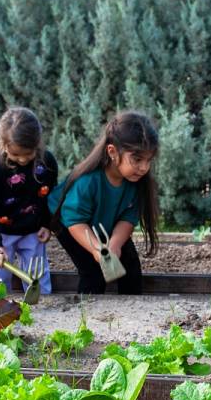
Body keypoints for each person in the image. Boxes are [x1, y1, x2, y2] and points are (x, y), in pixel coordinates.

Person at [49, 111, 160, 295]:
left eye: (149, 160)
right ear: (112, 152)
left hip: (104, 222)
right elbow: (75, 221)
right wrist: (97, 249)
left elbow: (127, 218)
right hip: (70, 223)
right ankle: (86, 315)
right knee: (93, 272)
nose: (144, 167)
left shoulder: (135, 181)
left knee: (130, 265)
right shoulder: (88, 181)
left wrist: (114, 244)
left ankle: (132, 310)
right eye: (137, 159)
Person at [0, 107, 58, 294]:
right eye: (16, 155)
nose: (23, 159)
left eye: (28, 153)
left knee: (36, 272)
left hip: (33, 230)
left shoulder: (46, 163)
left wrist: (47, 224)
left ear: (37, 144)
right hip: (4, 232)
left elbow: (51, 196)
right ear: (3, 144)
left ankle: (44, 304)